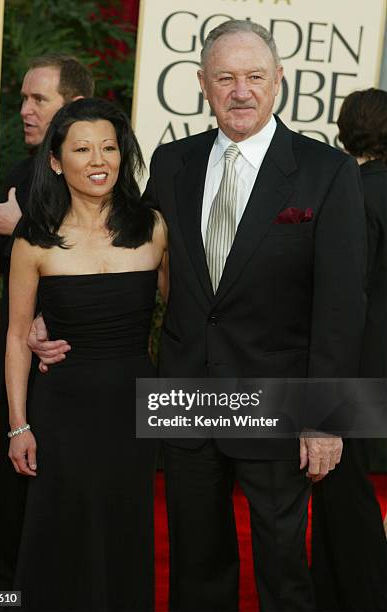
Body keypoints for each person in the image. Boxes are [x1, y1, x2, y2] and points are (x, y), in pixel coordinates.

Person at [30, 21, 366, 611]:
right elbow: (117, 246)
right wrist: (45, 311)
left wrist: (326, 417)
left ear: (278, 82)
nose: (241, 91)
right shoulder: (172, 163)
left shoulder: (326, 172)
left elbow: (341, 304)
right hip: (184, 393)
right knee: (195, 564)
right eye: (226, 78)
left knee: (283, 566)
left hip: (278, 398)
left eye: (255, 77)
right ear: (203, 86)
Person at [6, 97, 167, 611]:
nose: (98, 160)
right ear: (56, 161)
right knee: (58, 531)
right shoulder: (34, 240)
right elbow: (15, 336)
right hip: (61, 409)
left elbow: (191, 316)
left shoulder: (153, 230)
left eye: (109, 148)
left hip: (132, 408)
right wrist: (18, 425)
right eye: (82, 149)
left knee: (126, 529)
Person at [0, 54, 94, 591]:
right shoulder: (22, 171)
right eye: (22, 98)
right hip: (12, 371)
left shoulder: (102, 179)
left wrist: (23, 229)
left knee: (57, 518)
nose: (24, 110)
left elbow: (110, 263)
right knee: (7, 517)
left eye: (38, 99)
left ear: (76, 106)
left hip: (71, 374)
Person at [311, 87, 387, 612]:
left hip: (358, 361)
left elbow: (344, 289)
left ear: (341, 130)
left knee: (339, 483)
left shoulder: (347, 194)